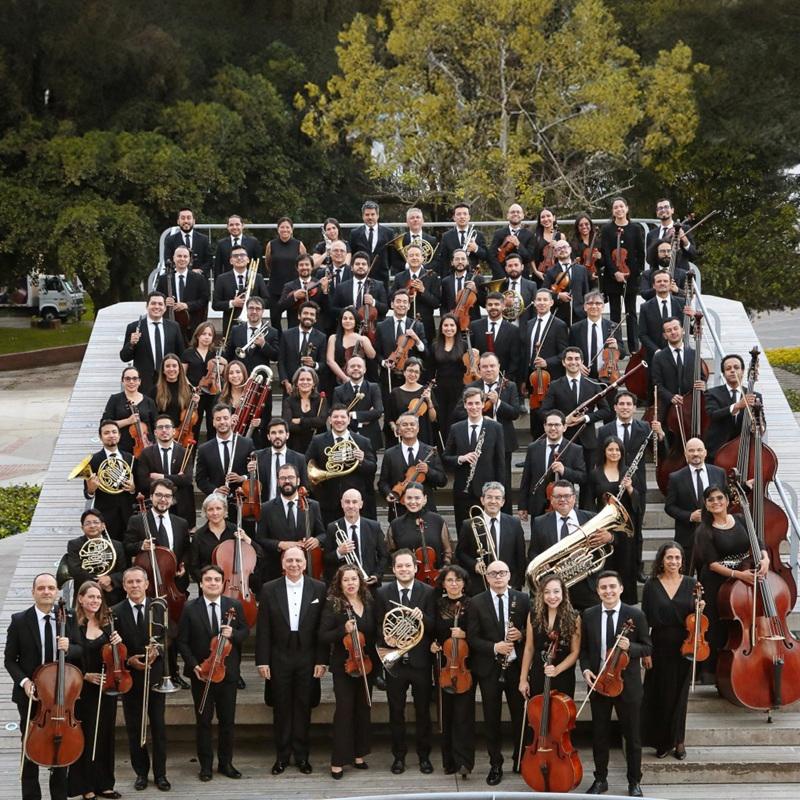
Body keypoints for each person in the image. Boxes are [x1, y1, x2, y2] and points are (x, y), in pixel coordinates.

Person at [4, 572, 82, 800]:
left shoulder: (67, 617)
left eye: (50, 588)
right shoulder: (20, 620)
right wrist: (25, 682)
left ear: (56, 591)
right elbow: (10, 660)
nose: (46, 592)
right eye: (41, 588)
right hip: (31, 696)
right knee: (29, 747)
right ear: (33, 592)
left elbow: (80, 650)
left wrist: (70, 647)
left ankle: (59, 796)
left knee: (61, 745)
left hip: (60, 696)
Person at [256, 546, 328, 775]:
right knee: (281, 707)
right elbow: (263, 628)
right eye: (289, 560)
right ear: (282, 563)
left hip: (308, 656)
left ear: (305, 564)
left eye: (298, 560)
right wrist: (262, 661)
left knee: (303, 707)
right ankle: (282, 756)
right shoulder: (269, 589)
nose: (294, 564)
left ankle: (302, 756)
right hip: (279, 655)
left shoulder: (319, 588)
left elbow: (322, 628)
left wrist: (321, 660)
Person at [580, 570, 651, 797]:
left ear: (621, 589)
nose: (608, 591)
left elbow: (647, 647)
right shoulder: (589, 615)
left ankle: (634, 781)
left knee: (632, 736)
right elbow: (584, 650)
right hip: (600, 684)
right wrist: (586, 670)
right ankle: (600, 780)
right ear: (597, 591)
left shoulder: (635, 614)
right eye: (603, 587)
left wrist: (631, 647)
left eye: (612, 586)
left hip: (628, 685)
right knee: (599, 735)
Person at [177, 564, 249, 782]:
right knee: (204, 721)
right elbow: (182, 641)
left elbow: (245, 632)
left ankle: (226, 763)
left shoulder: (234, 605)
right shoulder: (190, 608)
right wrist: (194, 665)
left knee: (227, 721)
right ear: (201, 583)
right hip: (202, 673)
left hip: (227, 673)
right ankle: (206, 766)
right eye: (208, 579)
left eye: (217, 580)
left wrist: (233, 633)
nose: (212, 583)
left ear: (222, 583)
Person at [693, 485, 768, 677]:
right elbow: (712, 564)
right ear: (706, 505)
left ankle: (745, 666)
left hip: (742, 575)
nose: (716, 502)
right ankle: (715, 671)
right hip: (716, 582)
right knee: (717, 624)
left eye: (720, 498)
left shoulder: (741, 519)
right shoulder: (704, 530)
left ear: (727, 500)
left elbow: (758, 542)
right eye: (711, 500)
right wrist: (739, 575)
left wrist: (765, 558)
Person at [466, 559, 529, 786]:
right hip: (490, 669)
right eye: (493, 573)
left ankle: (521, 759)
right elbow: (472, 638)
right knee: (491, 718)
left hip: (516, 669)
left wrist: (521, 635)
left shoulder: (523, 599)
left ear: (510, 575)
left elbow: (532, 631)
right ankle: (496, 764)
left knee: (520, 716)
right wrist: (495, 647)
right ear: (487, 577)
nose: (499, 577)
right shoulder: (476, 602)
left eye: (503, 572)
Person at [374, 549, 435, 775]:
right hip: (395, 663)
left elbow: (435, 626)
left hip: (420, 662)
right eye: (399, 566)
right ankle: (398, 756)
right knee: (396, 712)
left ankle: (424, 756)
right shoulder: (382, 593)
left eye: (408, 565)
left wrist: (423, 618)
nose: (404, 569)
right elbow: (378, 626)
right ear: (393, 569)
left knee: (423, 712)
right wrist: (387, 638)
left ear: (415, 568)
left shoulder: (428, 592)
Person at [113, 566, 170, 791]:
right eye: (130, 582)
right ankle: (141, 773)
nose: (135, 585)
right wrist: (129, 660)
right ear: (124, 586)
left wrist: (159, 649)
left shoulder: (159, 607)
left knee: (158, 727)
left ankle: (161, 774)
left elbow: (169, 635)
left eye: (138, 581)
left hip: (155, 676)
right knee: (135, 729)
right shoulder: (115, 611)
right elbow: (113, 646)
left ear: (147, 584)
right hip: (130, 678)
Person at [641, 542, 700, 760]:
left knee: (680, 697)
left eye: (677, 558)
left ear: (682, 561)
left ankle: (679, 741)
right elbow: (644, 620)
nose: (673, 562)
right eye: (669, 558)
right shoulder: (651, 585)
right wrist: (646, 651)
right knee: (661, 694)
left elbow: (697, 619)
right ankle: (662, 741)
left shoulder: (692, 583)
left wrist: (701, 609)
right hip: (659, 645)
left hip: (684, 646)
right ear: (662, 560)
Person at [318, 565, 377, 778]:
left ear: (360, 581)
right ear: (340, 583)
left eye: (354, 579)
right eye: (346, 580)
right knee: (344, 710)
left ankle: (359, 754)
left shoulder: (368, 601)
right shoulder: (334, 604)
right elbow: (323, 635)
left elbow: (374, 631)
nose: (350, 583)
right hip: (344, 666)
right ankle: (338, 761)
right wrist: (342, 629)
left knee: (363, 708)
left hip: (366, 664)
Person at [597, 391, 664, 579]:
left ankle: (636, 568)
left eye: (629, 404)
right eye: (622, 404)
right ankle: (612, 565)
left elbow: (660, 453)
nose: (625, 407)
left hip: (636, 486)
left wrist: (660, 434)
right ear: (615, 407)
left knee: (636, 529)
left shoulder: (645, 427)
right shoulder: (605, 430)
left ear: (634, 408)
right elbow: (598, 458)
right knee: (612, 528)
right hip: (611, 484)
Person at [67, 580, 121, 800]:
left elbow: (117, 658)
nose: (95, 601)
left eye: (98, 597)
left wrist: (118, 643)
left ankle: (105, 784)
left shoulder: (108, 624)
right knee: (86, 736)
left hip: (105, 688)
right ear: (80, 599)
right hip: (81, 690)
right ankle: (85, 786)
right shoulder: (72, 625)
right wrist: (84, 675)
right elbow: (66, 658)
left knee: (105, 735)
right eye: (91, 596)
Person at [540, 346, 613, 483]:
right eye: (569, 359)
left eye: (576, 359)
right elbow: (543, 411)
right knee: (564, 481)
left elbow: (606, 410)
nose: (573, 362)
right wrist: (563, 420)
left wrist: (586, 418)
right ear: (563, 362)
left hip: (588, 441)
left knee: (588, 482)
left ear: (582, 362)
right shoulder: (554, 385)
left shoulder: (593, 384)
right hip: (565, 440)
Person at [527, 480, 602, 612]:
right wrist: (541, 563)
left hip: (587, 585)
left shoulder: (591, 518)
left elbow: (614, 542)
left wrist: (610, 537)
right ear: (551, 500)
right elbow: (533, 552)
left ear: (574, 498)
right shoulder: (540, 522)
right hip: (555, 586)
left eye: (567, 496)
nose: (563, 500)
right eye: (558, 496)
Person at [430, 565, 475, 777]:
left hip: (464, 666)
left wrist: (465, 634)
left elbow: (479, 632)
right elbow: (430, 630)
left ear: (464, 583)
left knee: (463, 716)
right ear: (443, 584)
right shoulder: (437, 604)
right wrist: (432, 644)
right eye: (449, 580)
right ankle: (449, 761)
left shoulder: (472, 604)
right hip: (444, 665)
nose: (454, 584)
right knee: (446, 714)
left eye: (458, 580)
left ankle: (464, 762)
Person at [443, 387, 505, 532]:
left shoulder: (495, 427)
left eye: (477, 403)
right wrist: (461, 458)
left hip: (487, 491)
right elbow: (445, 457)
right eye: (470, 403)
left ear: (483, 404)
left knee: (487, 531)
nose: (474, 407)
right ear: (465, 405)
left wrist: (499, 491)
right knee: (463, 530)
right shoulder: (456, 428)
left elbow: (500, 462)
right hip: (462, 490)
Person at [589, 436, 641, 602]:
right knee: (605, 565)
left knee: (625, 566)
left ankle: (625, 604)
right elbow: (588, 502)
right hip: (602, 526)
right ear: (604, 451)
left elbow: (638, 503)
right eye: (610, 449)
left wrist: (630, 489)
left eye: (617, 450)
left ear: (622, 452)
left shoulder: (629, 473)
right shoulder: (595, 474)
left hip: (623, 528)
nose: (614, 453)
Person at [306, 403, 378, 525]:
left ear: (349, 420)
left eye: (343, 417)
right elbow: (307, 463)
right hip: (327, 501)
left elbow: (373, 468)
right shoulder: (318, 440)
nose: (339, 420)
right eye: (335, 417)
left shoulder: (362, 441)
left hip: (353, 501)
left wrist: (362, 461)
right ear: (330, 420)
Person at [255, 462, 325, 582]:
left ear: (298, 480)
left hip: (307, 567)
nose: (287, 481)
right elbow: (260, 538)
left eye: (291, 477)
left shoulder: (312, 506)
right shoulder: (266, 508)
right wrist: (280, 544)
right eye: (283, 478)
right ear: (278, 482)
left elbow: (322, 534)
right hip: (276, 570)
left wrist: (317, 540)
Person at [455, 482, 526, 595]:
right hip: (479, 586)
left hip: (508, 585)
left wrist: (517, 584)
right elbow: (460, 553)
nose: (493, 501)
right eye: (489, 497)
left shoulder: (514, 523)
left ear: (503, 502)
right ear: (482, 500)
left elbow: (520, 557)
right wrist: (474, 565)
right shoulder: (469, 524)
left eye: (497, 498)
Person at [519, 574, 580, 700]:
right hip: (538, 673)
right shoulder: (534, 615)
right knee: (538, 710)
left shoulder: (574, 617)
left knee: (562, 711)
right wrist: (523, 679)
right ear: (541, 594)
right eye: (547, 592)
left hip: (563, 674)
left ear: (563, 593)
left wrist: (557, 670)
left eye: (556, 591)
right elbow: (529, 648)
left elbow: (575, 652)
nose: (552, 596)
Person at [664, 438, 726, 561]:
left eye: (699, 450)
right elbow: (669, 507)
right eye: (691, 451)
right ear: (685, 454)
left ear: (705, 452)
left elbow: (726, 498)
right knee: (687, 572)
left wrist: (745, 487)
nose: (695, 454)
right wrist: (690, 516)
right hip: (687, 538)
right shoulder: (676, 477)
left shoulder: (719, 473)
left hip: (716, 535)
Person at [518, 410, 586, 523]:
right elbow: (526, 478)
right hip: (538, 506)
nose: (553, 428)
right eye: (549, 425)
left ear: (564, 427)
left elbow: (582, 477)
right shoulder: (533, 448)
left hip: (564, 506)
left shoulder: (575, 449)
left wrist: (564, 471)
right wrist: (522, 505)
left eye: (557, 425)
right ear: (544, 427)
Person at [378, 413, 447, 522]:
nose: (409, 427)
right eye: (404, 425)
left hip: (426, 510)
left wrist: (428, 471)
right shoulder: (389, 454)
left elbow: (442, 481)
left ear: (418, 429)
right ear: (399, 430)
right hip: (399, 510)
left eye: (412, 424)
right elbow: (383, 482)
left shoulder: (430, 451)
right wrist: (388, 493)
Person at [599, 197, 645, 353]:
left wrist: (634, 273)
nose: (618, 210)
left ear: (627, 208)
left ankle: (633, 348)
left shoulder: (635, 228)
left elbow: (640, 253)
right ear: (613, 211)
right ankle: (618, 347)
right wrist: (615, 272)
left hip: (630, 277)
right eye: (615, 207)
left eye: (621, 206)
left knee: (631, 312)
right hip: (612, 278)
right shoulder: (607, 229)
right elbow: (606, 253)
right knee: (615, 313)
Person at [521, 289, 568, 438]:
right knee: (535, 419)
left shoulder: (559, 325)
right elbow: (526, 353)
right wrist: (524, 379)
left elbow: (564, 354)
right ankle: (536, 447)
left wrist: (547, 362)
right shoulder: (529, 323)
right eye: (538, 300)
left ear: (551, 302)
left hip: (550, 379)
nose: (541, 303)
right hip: (533, 379)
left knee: (550, 417)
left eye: (545, 300)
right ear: (534, 303)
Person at [190, 493, 263, 585]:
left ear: (225, 510)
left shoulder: (235, 530)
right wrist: (207, 582)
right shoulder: (199, 535)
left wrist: (246, 539)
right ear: (205, 512)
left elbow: (259, 554)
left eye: (218, 508)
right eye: (210, 509)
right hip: (210, 586)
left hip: (235, 584)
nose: (215, 513)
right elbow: (193, 567)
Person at [82, 420, 136, 542]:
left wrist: (133, 488)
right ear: (100, 437)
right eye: (106, 433)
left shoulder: (130, 458)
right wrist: (91, 489)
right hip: (105, 515)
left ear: (119, 435)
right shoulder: (92, 460)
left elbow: (137, 487)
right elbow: (87, 494)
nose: (111, 435)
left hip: (128, 512)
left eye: (114, 432)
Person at [119, 292, 184, 393]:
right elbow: (124, 357)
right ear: (147, 306)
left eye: (160, 304)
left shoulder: (174, 327)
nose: (157, 307)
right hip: (144, 385)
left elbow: (181, 355)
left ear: (165, 308)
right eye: (153, 303)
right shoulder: (134, 327)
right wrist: (131, 343)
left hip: (168, 383)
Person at [323, 488, 388, 588]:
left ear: (361, 504)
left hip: (369, 584)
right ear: (342, 504)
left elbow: (384, 556)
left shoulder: (374, 527)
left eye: (354, 502)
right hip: (344, 585)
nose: (351, 506)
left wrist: (376, 575)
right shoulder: (333, 527)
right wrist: (339, 552)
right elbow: (326, 558)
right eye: (347, 502)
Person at [63, 509, 127, 608]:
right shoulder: (74, 544)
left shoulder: (117, 545)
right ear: (82, 528)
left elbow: (124, 571)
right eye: (88, 523)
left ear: (103, 526)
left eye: (96, 522)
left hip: (111, 594)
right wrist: (99, 582)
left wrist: (110, 579)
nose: (92, 526)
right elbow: (75, 570)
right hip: (85, 595)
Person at [387, 482, 452, 576]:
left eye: (417, 498)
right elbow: (391, 552)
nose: (413, 502)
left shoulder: (437, 520)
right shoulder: (396, 524)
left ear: (425, 499)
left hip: (435, 577)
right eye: (409, 498)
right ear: (404, 499)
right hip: (406, 577)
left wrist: (444, 568)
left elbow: (447, 550)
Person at [194, 403, 256, 502]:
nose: (222, 422)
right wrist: (215, 490)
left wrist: (243, 478)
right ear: (213, 422)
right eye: (218, 419)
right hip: (217, 503)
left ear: (231, 420)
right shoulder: (204, 449)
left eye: (225, 418)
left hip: (242, 501)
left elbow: (256, 472)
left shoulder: (247, 443)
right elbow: (200, 480)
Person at [705, 353, 761, 459]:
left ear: (743, 371)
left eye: (736, 367)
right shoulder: (712, 393)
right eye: (728, 368)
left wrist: (759, 426)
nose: (732, 371)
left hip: (746, 450)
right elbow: (712, 415)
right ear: (723, 373)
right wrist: (737, 406)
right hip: (718, 451)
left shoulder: (755, 396)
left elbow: (761, 423)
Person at [650, 316, 705, 423]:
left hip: (692, 406)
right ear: (665, 336)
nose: (673, 332)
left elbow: (702, 377)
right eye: (669, 330)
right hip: (669, 407)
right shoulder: (659, 357)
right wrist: (670, 397)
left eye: (676, 328)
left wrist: (703, 384)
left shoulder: (695, 354)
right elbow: (657, 384)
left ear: (682, 330)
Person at [376, 289, 427, 395]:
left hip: (410, 378)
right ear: (392, 304)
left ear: (409, 306)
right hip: (389, 377)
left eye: (405, 302)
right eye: (398, 301)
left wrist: (416, 339)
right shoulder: (381, 326)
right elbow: (377, 353)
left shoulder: (417, 326)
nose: (401, 305)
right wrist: (383, 363)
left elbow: (425, 352)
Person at [155, 244, 209, 344]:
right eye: (179, 256)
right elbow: (157, 298)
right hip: (170, 323)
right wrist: (164, 301)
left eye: (185, 256)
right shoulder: (164, 279)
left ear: (189, 259)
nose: (182, 259)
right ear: (173, 258)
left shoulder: (199, 279)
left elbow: (204, 300)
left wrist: (187, 305)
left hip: (192, 325)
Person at [211, 244, 269, 337]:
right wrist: (232, 303)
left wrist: (252, 303)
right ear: (231, 261)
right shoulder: (222, 279)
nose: (239, 258)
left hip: (253, 324)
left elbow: (266, 300)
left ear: (248, 259)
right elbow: (215, 304)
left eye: (242, 255)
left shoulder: (258, 277)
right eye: (235, 256)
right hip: (230, 325)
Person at [101, 366, 158, 456]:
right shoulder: (115, 399)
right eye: (127, 379)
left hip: (146, 447)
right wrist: (128, 421)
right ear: (123, 381)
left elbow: (156, 425)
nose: (131, 382)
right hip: (121, 448)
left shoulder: (149, 401)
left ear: (139, 381)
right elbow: (105, 424)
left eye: (135, 379)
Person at [391, 243, 441, 344]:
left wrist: (423, 291)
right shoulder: (399, 277)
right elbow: (391, 300)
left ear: (423, 258)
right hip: (404, 324)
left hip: (426, 324)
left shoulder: (432, 276)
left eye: (417, 255)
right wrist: (406, 298)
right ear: (407, 259)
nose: (414, 258)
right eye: (411, 255)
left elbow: (436, 303)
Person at [332, 354, 383, 452]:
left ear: (365, 370)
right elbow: (337, 415)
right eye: (352, 366)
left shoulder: (374, 387)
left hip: (370, 436)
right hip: (347, 435)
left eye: (359, 366)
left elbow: (378, 411)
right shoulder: (338, 390)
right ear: (347, 370)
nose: (356, 368)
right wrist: (367, 416)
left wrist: (354, 414)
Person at [277, 301, 329, 397]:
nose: (308, 316)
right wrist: (285, 382)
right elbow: (281, 361)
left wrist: (314, 364)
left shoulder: (322, 337)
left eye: (312, 314)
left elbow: (323, 364)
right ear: (299, 316)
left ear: (315, 319)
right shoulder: (286, 335)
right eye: (305, 313)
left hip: (311, 388)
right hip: (290, 387)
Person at [568, 291, 624, 379]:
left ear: (603, 306)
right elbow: (569, 351)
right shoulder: (575, 328)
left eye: (598, 303)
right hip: (583, 376)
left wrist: (616, 346)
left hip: (607, 376)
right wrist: (577, 364)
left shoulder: (614, 326)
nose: (594, 306)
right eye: (590, 303)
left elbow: (623, 354)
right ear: (585, 307)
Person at [251, 417, 308, 503]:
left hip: (290, 507)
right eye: (273, 433)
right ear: (268, 436)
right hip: (265, 507)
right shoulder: (257, 456)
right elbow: (252, 485)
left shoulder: (299, 459)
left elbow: (303, 487)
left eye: (281, 432)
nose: (277, 436)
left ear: (287, 435)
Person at [182, 321, 223, 438]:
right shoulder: (188, 353)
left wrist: (221, 362)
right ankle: (192, 448)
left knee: (212, 424)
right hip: (195, 394)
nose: (206, 337)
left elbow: (222, 371)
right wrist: (191, 387)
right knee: (194, 425)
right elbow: (182, 375)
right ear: (197, 336)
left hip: (212, 393)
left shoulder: (215, 353)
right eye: (204, 334)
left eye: (210, 335)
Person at [265, 216, 307, 330]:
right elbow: (268, 263)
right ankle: (277, 341)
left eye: (287, 227)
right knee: (275, 319)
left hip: (293, 289)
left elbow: (304, 262)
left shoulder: (299, 244)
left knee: (293, 320)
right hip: (275, 287)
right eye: (282, 227)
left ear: (292, 229)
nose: (285, 230)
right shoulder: (271, 244)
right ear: (278, 229)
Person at [223, 297, 279, 378]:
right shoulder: (236, 330)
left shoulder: (272, 332)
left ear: (263, 311)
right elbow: (228, 354)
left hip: (260, 378)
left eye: (258, 309)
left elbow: (275, 357)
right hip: (239, 377)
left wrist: (263, 344)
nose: (254, 311)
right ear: (246, 310)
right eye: (251, 308)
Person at [430, 313, 466, 439]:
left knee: (455, 419)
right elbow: (430, 369)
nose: (449, 328)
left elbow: (468, 367)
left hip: (459, 389)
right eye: (445, 325)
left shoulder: (464, 345)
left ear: (457, 327)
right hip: (440, 389)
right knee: (442, 420)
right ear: (441, 328)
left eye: (452, 325)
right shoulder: (435, 346)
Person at [387, 357, 437, 446]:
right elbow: (389, 418)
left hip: (422, 435)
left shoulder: (426, 390)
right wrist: (394, 427)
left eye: (416, 372)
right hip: (403, 435)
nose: (413, 374)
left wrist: (429, 400)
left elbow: (432, 419)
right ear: (404, 372)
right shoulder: (395, 392)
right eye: (410, 370)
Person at [638, 270, 685, 363]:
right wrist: (656, 351)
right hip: (654, 357)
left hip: (678, 355)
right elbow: (642, 334)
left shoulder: (682, 303)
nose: (662, 283)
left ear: (670, 284)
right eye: (659, 281)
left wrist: (692, 318)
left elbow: (688, 329)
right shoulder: (645, 307)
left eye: (665, 281)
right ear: (653, 285)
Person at [469, 291, 519, 379]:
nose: (493, 307)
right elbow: (470, 352)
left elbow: (515, 359)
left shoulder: (513, 330)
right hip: (479, 378)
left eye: (496, 304)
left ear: (503, 306)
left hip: (503, 379)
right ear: (486, 306)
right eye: (490, 304)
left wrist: (506, 379)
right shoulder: (474, 326)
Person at [330, 250, 389, 323]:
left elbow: (385, 309)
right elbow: (333, 310)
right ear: (351, 267)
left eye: (363, 264)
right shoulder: (341, 287)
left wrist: (373, 302)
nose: (360, 266)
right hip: (349, 326)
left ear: (369, 268)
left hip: (371, 327)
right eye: (357, 264)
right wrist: (345, 310)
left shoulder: (379, 285)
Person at [348, 200, 398, 286]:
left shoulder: (389, 233)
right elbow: (352, 255)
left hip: (382, 278)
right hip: (361, 278)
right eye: (367, 215)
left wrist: (384, 267)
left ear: (377, 215)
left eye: (372, 214)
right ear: (363, 216)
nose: (370, 217)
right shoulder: (355, 233)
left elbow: (391, 256)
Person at [280, 366, 329, 454]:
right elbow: (287, 425)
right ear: (296, 383)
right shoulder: (289, 401)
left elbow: (321, 421)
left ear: (314, 383)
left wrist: (300, 421)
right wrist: (312, 424)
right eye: (302, 379)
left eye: (308, 379)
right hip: (295, 446)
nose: (305, 382)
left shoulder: (321, 399)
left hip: (318, 445)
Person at [278, 253, 332, 332]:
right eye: (301, 265)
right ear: (297, 268)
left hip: (316, 330)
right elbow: (280, 307)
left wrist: (325, 291)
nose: (304, 267)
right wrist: (294, 297)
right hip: (295, 329)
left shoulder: (320, 284)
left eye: (307, 265)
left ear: (312, 267)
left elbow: (328, 309)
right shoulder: (289, 286)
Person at [543, 239, 590, 326]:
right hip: (559, 314)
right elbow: (544, 292)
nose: (562, 250)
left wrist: (586, 309)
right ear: (555, 253)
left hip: (579, 313)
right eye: (559, 249)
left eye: (564, 247)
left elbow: (586, 291)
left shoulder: (582, 269)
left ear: (570, 249)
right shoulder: (550, 271)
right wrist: (558, 296)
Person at [644, 198, 697, 274]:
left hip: (680, 275)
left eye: (666, 207)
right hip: (659, 276)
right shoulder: (651, 234)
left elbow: (693, 255)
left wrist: (685, 240)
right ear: (657, 213)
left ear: (672, 210)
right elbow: (649, 259)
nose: (663, 210)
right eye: (660, 208)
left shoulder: (684, 229)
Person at [435, 202, 488, 277]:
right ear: (454, 218)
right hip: (452, 276)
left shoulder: (479, 235)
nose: (462, 216)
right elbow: (443, 261)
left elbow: (486, 256)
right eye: (459, 214)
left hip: (472, 276)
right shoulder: (446, 236)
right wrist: (444, 280)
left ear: (469, 217)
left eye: (465, 214)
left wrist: (476, 248)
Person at [327, 309, 378, 385]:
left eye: (351, 318)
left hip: (359, 379)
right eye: (345, 318)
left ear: (355, 321)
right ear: (341, 321)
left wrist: (363, 340)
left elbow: (372, 356)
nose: (348, 321)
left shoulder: (362, 338)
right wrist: (344, 378)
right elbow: (330, 361)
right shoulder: (333, 338)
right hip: (337, 379)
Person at [487, 202, 534, 278]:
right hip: (502, 276)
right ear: (507, 216)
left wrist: (518, 245)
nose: (515, 214)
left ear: (522, 216)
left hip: (522, 277)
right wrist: (502, 276)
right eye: (512, 212)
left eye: (518, 212)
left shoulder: (529, 235)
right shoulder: (498, 233)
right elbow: (491, 257)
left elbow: (529, 258)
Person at [163, 207, 212, 276]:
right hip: (178, 278)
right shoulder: (170, 240)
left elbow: (209, 261)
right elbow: (168, 260)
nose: (186, 221)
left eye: (188, 218)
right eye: (183, 218)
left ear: (194, 221)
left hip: (199, 278)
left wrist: (200, 271)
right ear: (178, 221)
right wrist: (181, 271)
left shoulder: (204, 239)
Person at [150, 353, 194, 428]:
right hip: (163, 431)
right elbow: (153, 416)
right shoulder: (155, 390)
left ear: (179, 369)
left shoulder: (189, 389)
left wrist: (195, 405)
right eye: (167, 366)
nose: (171, 369)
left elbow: (192, 416)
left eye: (174, 366)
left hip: (183, 432)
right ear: (163, 370)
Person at [440, 248, 482, 324]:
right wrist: (445, 319)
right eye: (457, 259)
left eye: (463, 259)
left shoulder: (477, 279)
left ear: (467, 262)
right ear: (452, 262)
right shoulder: (445, 281)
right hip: (452, 323)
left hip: (473, 322)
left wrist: (476, 291)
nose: (460, 262)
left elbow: (484, 302)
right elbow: (443, 305)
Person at [212, 214, 261, 280]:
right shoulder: (221, 244)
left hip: (248, 281)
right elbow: (218, 267)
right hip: (227, 281)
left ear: (242, 226)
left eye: (237, 224)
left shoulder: (253, 242)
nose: (234, 227)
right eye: (231, 225)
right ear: (227, 227)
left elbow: (258, 265)